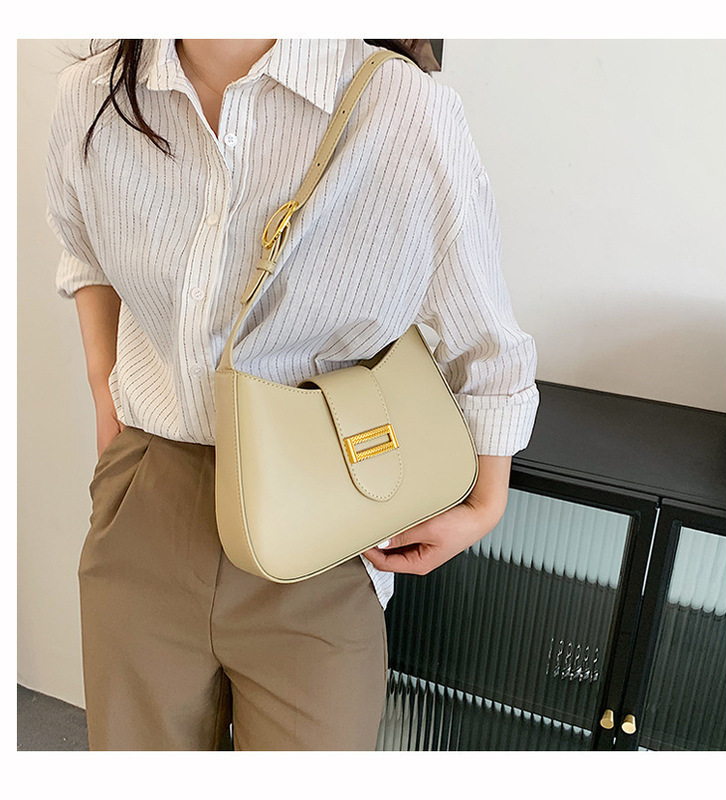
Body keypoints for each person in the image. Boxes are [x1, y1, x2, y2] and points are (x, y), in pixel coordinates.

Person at [45, 38, 540, 751]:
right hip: (148, 497)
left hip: (325, 522)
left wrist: (487, 500)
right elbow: (84, 248)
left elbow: (483, 333)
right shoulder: (92, 99)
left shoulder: (400, 108)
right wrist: (104, 390)